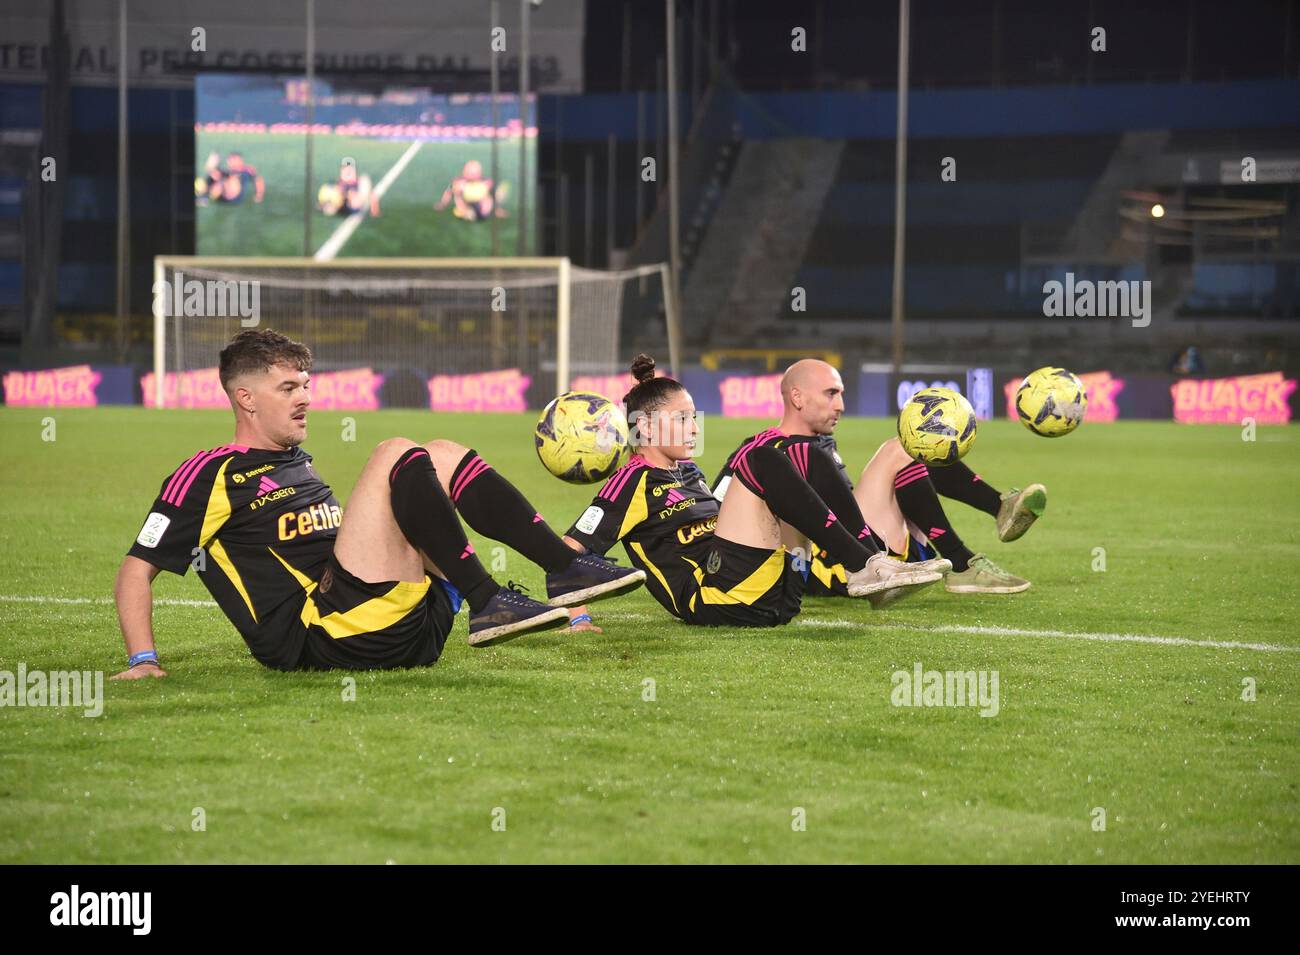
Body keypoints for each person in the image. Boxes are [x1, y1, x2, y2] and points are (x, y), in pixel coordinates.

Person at [112, 329, 644, 679]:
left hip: (404, 625)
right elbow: (137, 568)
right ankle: (487, 601)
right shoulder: (211, 473)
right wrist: (143, 660)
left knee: (439, 453)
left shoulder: (298, 462)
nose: (306, 398)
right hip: (326, 635)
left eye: (306, 384)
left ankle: (562, 572)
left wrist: (570, 616)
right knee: (396, 453)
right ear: (246, 398)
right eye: (288, 387)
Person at [559, 355, 949, 628]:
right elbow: (568, 553)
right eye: (682, 419)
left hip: (778, 595)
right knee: (760, 457)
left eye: (694, 418)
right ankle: (862, 565)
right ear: (643, 427)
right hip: (715, 594)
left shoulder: (688, 472)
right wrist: (578, 617)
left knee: (802, 451)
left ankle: (869, 562)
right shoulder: (631, 481)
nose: (694, 428)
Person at [712, 359, 1042, 596]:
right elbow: (722, 510)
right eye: (830, 394)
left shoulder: (819, 443)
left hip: (874, 550)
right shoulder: (764, 448)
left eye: (841, 393)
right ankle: (964, 561)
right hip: (829, 565)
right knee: (900, 450)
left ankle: (993, 517)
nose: (840, 404)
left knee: (918, 450)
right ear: (797, 398)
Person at [435, 160, 503, 221]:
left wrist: (497, 208)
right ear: (464, 172)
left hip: (480, 203)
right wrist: (443, 204)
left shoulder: (486, 182)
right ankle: (466, 212)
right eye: (469, 172)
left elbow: (494, 195)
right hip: (466, 203)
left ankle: (483, 213)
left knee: (488, 199)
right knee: (458, 191)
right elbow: (448, 192)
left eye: (475, 173)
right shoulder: (459, 181)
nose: (472, 175)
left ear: (480, 173)